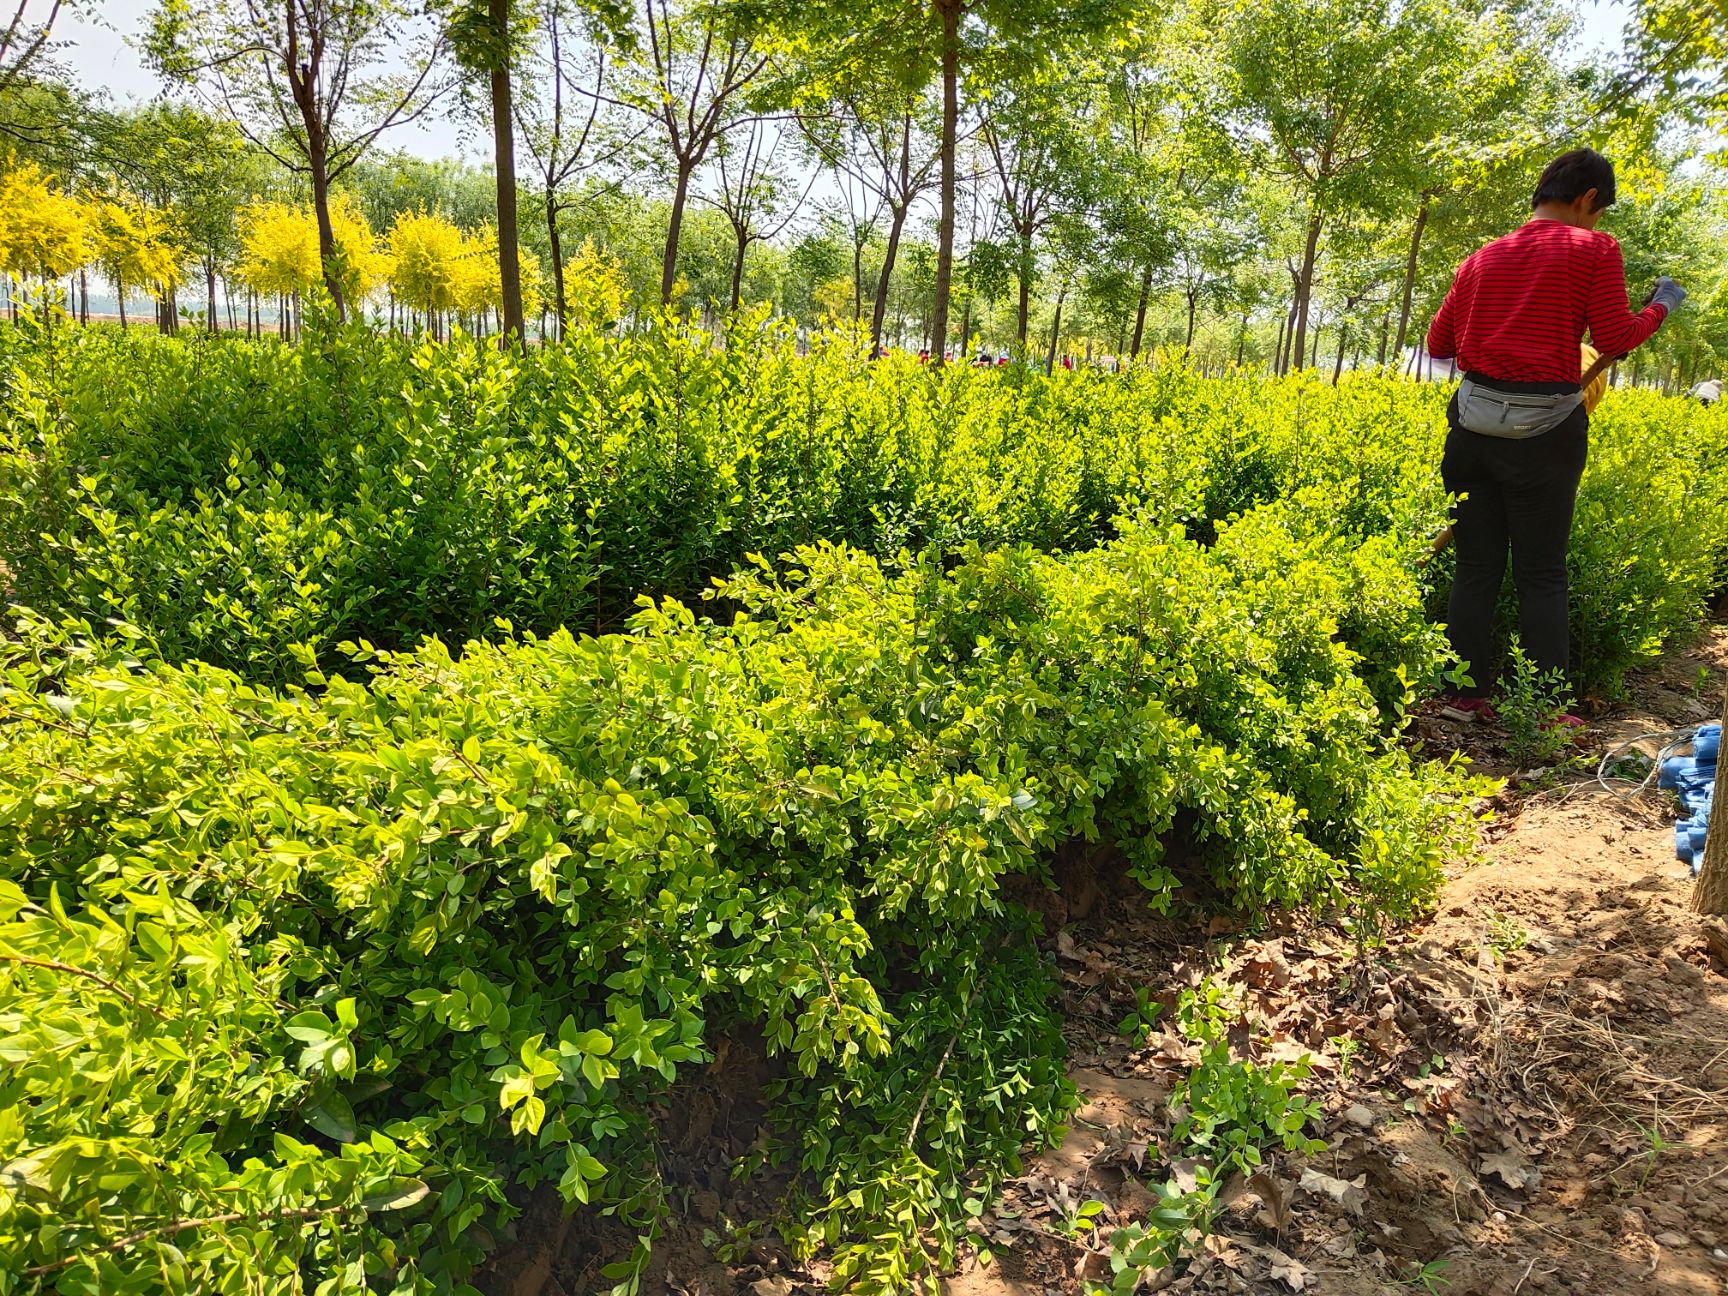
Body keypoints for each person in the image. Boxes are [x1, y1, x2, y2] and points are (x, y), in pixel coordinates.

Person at [1426, 148, 1683, 723]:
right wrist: (1661, 306)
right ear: (1588, 198)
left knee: (1475, 566)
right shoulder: (1594, 248)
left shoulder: (1483, 257)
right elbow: (1615, 336)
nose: (1597, 223)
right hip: (1545, 436)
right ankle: (1545, 708)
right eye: (1598, 211)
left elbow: (1439, 344)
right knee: (1541, 571)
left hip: (1472, 429)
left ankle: (1463, 696)